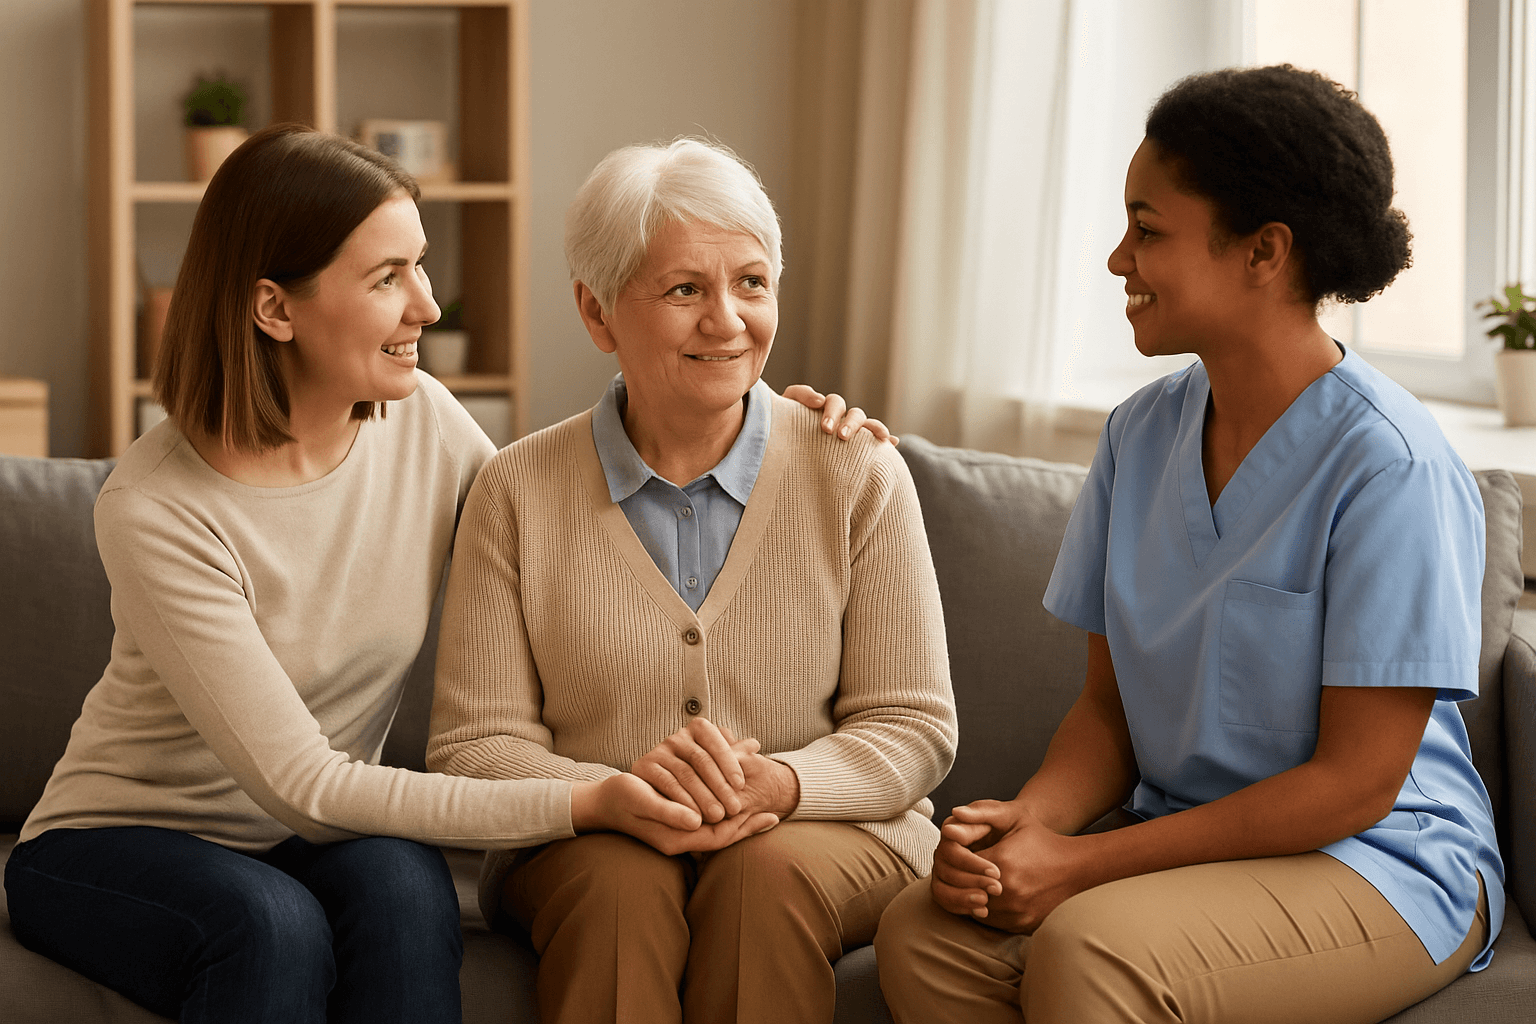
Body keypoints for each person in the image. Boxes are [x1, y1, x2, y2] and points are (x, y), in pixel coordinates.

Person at [2, 124, 883, 1024]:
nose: (427, 304)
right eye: (387, 278)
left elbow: (562, 506)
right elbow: (302, 783)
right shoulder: (155, 507)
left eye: (420, 267)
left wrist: (760, 422)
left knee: (407, 893)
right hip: (123, 841)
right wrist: (588, 800)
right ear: (275, 308)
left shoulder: (419, 416)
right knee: (271, 929)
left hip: (315, 836)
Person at [874, 65, 1504, 1024]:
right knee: (928, 933)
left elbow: (1355, 785)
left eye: (1148, 229)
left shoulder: (1389, 467)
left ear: (1264, 253)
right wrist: (1029, 824)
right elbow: (1108, 709)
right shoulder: (1139, 435)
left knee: (1094, 953)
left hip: (1383, 861)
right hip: (1181, 839)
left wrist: (1081, 863)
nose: (1118, 259)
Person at [426, 137, 958, 1024]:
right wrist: (610, 799)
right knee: (619, 890)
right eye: (685, 290)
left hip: (828, 834)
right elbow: (474, 750)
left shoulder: (857, 471)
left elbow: (912, 727)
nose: (728, 321)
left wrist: (780, 787)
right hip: (586, 840)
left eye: (751, 283)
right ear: (597, 315)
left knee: (762, 876)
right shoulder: (514, 489)